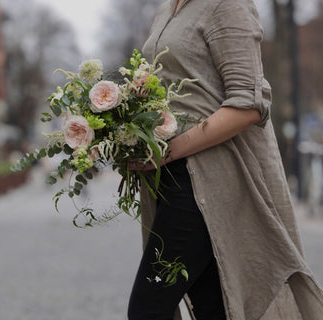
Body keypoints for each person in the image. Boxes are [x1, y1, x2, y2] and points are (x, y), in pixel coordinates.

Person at [127, 0, 323, 319]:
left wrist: (167, 151)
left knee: (148, 308)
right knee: (214, 309)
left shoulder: (226, 5)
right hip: (171, 180)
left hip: (209, 184)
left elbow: (247, 106)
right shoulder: (168, 8)